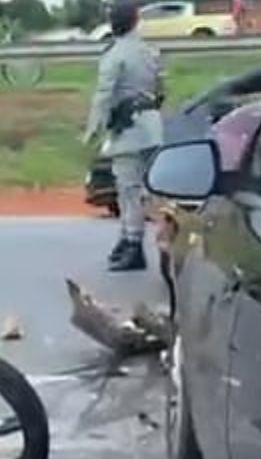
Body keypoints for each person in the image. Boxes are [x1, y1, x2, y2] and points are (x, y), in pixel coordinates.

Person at [86, 0, 166, 272]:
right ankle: (135, 241)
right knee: (152, 191)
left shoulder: (114, 54)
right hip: (152, 128)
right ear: (136, 20)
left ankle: (133, 245)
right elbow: (161, 89)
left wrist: (92, 130)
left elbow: (103, 95)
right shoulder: (150, 52)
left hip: (128, 132)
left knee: (128, 191)